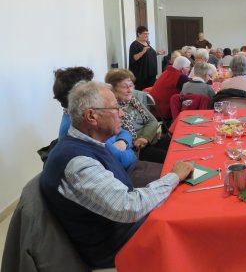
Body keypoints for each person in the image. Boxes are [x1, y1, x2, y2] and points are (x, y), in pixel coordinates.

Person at [40, 81, 194, 268]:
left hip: (120, 229)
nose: (122, 113)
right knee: (189, 226)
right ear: (92, 116)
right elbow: (129, 207)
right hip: (116, 246)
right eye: (116, 108)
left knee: (183, 203)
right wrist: (173, 176)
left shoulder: (89, 142)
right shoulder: (78, 162)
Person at [105, 69, 171, 163]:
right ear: (113, 89)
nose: (130, 90)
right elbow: (120, 137)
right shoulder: (112, 109)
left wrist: (145, 137)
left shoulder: (133, 100)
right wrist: (142, 138)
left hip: (150, 139)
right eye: (125, 87)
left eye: (131, 85)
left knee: (176, 145)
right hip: (136, 150)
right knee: (169, 158)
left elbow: (152, 121)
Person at [52, 67, 94, 140]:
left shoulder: (80, 117)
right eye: (90, 88)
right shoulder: (75, 128)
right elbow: (117, 150)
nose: (95, 91)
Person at [128, 26, 165, 90]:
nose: (147, 35)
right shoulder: (134, 44)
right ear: (138, 34)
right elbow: (134, 58)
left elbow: (148, 55)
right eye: (145, 33)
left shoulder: (147, 43)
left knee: (150, 90)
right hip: (141, 74)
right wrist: (143, 51)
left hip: (151, 73)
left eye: (147, 33)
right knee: (142, 91)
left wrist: (157, 53)